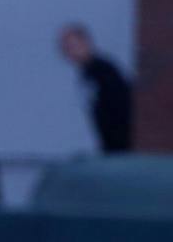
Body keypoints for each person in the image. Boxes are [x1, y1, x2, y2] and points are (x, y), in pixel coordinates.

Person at [57, 23, 133, 154]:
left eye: (73, 46)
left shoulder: (102, 71)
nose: (70, 51)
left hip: (120, 145)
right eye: (66, 47)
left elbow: (119, 108)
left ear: (86, 43)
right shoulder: (91, 72)